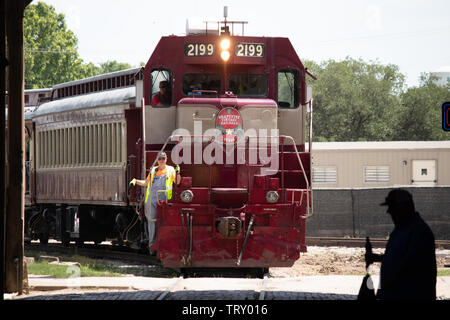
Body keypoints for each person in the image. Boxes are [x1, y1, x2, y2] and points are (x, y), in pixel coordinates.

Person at [365, 189, 437, 300]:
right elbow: (399, 258)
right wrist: (378, 258)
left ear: (403, 208)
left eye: (392, 207)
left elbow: (409, 264)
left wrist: (385, 290)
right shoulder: (402, 229)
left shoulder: (418, 231)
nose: (388, 211)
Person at [130, 152, 181, 255]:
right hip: (151, 200)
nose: (161, 160)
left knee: (163, 222)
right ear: (157, 160)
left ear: (166, 159)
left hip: (164, 201)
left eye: (163, 158)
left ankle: (164, 242)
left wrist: (178, 173)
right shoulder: (153, 170)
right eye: (159, 159)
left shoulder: (171, 169)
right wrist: (136, 181)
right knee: (152, 222)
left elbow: (177, 182)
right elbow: (146, 183)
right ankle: (152, 245)